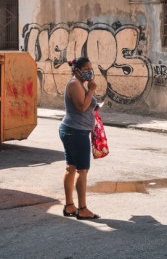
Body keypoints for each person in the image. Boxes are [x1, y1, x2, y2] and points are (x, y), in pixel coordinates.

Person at [59, 56, 100, 220]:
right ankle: (82, 209)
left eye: (91, 69)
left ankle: (70, 206)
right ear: (77, 70)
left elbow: (85, 105)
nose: (90, 72)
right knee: (82, 170)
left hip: (74, 130)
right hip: (76, 132)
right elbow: (82, 107)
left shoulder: (79, 84)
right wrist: (91, 90)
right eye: (86, 69)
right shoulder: (75, 84)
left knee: (71, 168)